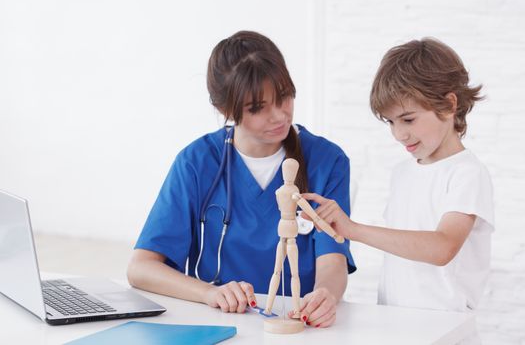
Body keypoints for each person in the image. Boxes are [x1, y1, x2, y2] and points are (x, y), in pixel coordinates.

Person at [127, 30, 356, 328]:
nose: (278, 116)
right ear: (225, 109)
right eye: (258, 108)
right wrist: (210, 293)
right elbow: (141, 268)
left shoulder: (328, 161)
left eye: (284, 97)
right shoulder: (196, 163)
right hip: (218, 324)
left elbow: (332, 259)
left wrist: (325, 294)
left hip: (296, 327)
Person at [301, 38, 494, 314]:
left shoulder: (467, 173)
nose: (398, 134)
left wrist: (353, 229)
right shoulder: (403, 173)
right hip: (398, 326)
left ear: (450, 105)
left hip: (447, 332)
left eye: (408, 119)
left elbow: (443, 247)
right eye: (390, 122)